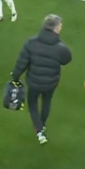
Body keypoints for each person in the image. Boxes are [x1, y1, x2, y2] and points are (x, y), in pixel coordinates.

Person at [11, 14, 73, 144]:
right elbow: (67, 59)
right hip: (51, 82)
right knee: (46, 101)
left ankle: (39, 130)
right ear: (55, 28)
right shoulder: (60, 47)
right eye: (60, 26)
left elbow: (22, 62)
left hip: (34, 82)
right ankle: (42, 125)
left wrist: (15, 77)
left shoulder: (31, 43)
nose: (61, 28)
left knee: (32, 103)